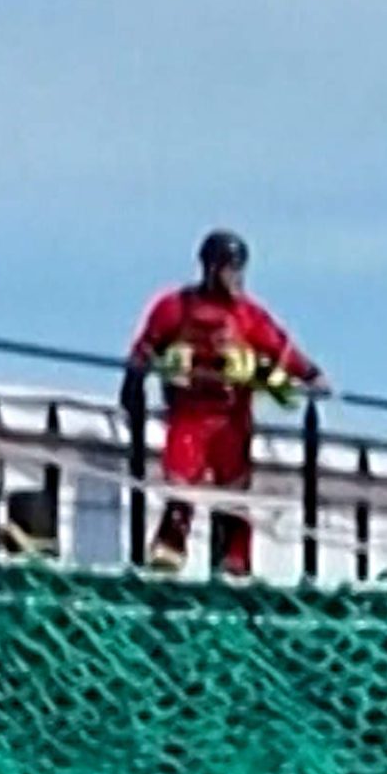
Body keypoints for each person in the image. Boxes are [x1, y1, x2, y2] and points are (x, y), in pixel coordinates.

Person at [125, 230, 326, 576]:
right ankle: (169, 549)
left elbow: (280, 349)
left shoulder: (249, 316)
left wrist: (311, 375)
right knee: (182, 484)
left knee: (234, 490)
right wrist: (132, 386)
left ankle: (235, 560)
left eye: (239, 269)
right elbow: (146, 348)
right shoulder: (175, 307)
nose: (236, 277)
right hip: (189, 413)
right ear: (210, 267)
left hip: (232, 416)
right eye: (229, 268)